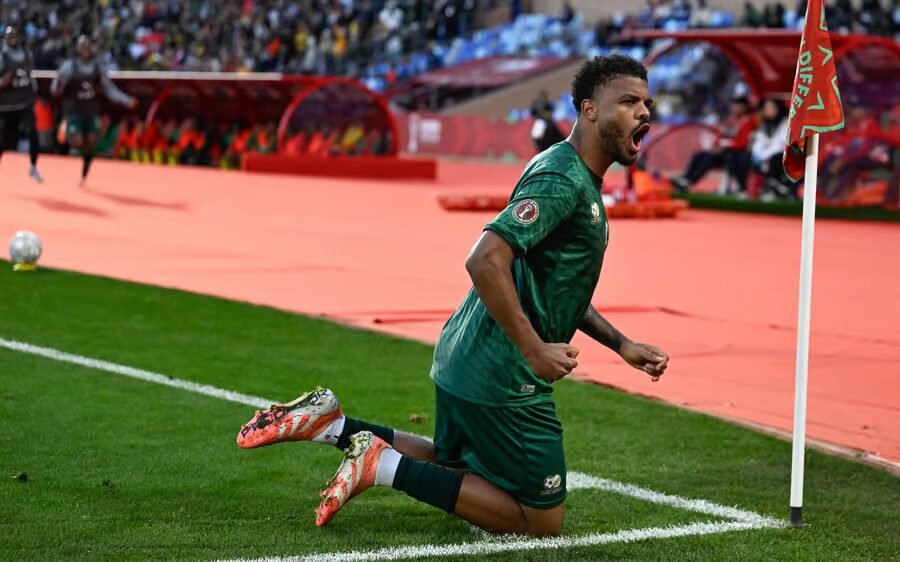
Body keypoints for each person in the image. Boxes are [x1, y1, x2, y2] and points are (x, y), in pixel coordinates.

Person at [235, 55, 670, 538]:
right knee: (540, 520)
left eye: (647, 102)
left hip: (468, 355)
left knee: (455, 463)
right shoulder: (562, 180)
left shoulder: (565, 170)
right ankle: (381, 466)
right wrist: (533, 348)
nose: (644, 112)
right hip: (503, 372)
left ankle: (333, 425)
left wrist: (622, 344)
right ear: (589, 109)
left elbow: (557, 286)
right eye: (629, 101)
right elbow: (485, 258)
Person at [50, 36, 136, 185]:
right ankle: (67, 141)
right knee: (77, 141)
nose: (85, 50)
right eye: (82, 47)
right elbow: (55, 90)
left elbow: (109, 89)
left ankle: (84, 171)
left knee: (90, 143)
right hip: (73, 110)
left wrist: (126, 100)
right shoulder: (69, 67)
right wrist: (59, 85)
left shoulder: (97, 68)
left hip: (90, 110)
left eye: (87, 47)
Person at [670, 94, 757, 195]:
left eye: (738, 105)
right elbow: (719, 136)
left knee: (709, 159)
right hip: (722, 152)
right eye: (734, 105)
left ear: (745, 107)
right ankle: (685, 178)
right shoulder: (731, 119)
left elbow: (742, 143)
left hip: (734, 154)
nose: (735, 108)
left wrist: (723, 147)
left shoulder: (748, 121)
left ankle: (690, 182)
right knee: (698, 155)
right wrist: (717, 146)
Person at [0, 26, 43, 183]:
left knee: (33, 132)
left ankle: (33, 166)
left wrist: (35, 89)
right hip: (6, 106)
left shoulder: (26, 54)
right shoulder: (2, 55)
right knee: (4, 140)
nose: (13, 38)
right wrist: (3, 82)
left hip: (24, 102)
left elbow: (30, 74)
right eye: (10, 36)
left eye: (15, 36)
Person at [750, 98, 793, 200]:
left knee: (776, 159)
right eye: (766, 108)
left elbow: (781, 145)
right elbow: (759, 142)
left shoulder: (786, 122)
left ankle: (776, 191)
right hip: (765, 156)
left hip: (782, 156)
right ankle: (745, 189)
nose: (767, 110)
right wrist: (759, 154)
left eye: (770, 107)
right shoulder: (764, 124)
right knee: (745, 158)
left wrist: (765, 155)